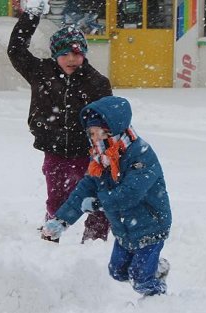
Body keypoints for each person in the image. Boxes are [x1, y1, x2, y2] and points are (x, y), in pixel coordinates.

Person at [41, 96, 172, 297]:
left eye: (97, 132)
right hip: (124, 228)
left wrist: (98, 204)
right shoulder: (101, 157)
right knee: (117, 272)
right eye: (90, 133)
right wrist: (61, 220)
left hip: (150, 225)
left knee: (140, 279)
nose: (93, 137)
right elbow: (84, 189)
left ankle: (160, 298)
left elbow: (130, 193)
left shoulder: (141, 155)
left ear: (112, 129)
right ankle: (155, 268)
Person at [8, 0, 113, 243]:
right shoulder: (41, 72)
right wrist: (31, 15)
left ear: (84, 53)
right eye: (64, 53)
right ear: (55, 55)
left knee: (96, 201)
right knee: (57, 200)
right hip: (54, 150)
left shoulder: (96, 82)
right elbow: (16, 50)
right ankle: (49, 239)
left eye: (76, 53)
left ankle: (94, 244)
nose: (71, 59)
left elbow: (108, 122)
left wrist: (105, 152)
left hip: (88, 153)